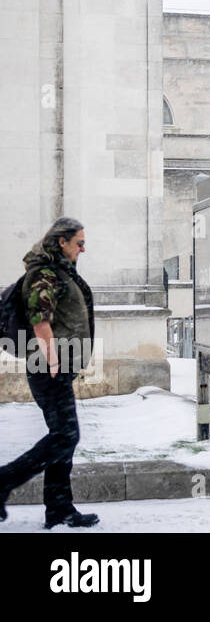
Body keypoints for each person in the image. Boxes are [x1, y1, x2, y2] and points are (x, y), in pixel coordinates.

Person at [0, 217, 100, 529]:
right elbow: (39, 318)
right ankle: (3, 481)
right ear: (61, 242)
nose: (83, 249)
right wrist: (54, 361)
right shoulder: (44, 273)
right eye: (79, 243)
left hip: (55, 368)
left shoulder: (58, 271)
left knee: (63, 438)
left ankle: (59, 509)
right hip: (47, 368)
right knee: (66, 435)